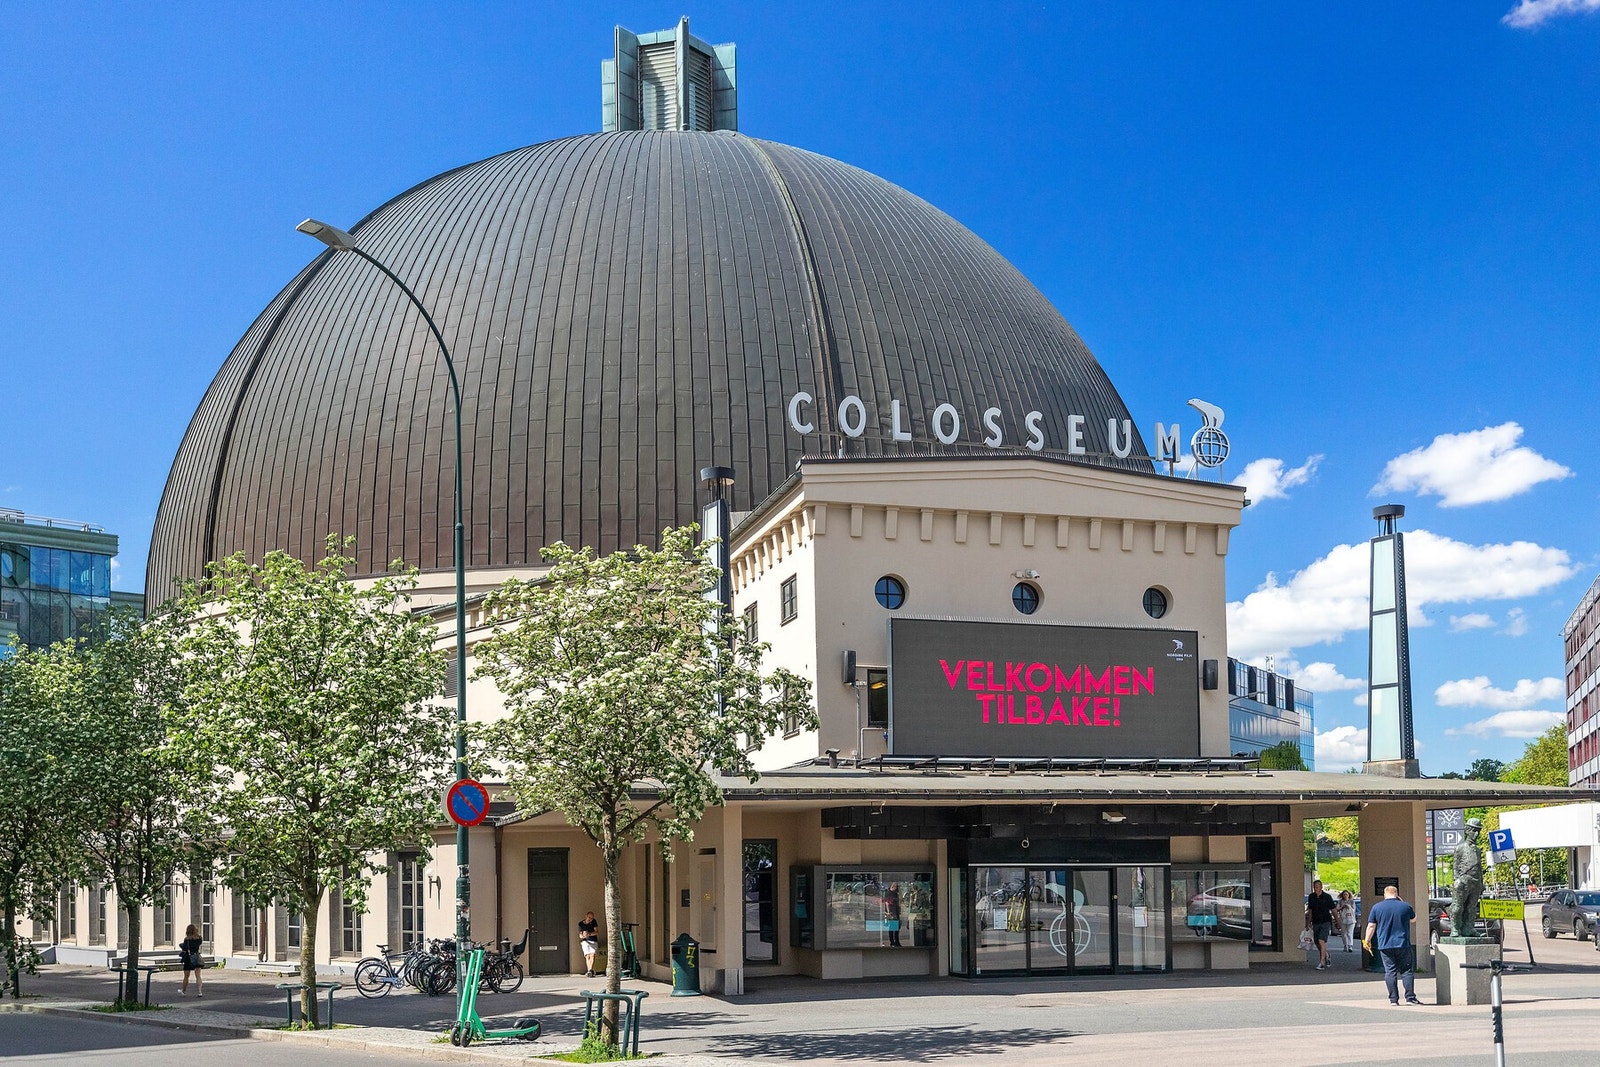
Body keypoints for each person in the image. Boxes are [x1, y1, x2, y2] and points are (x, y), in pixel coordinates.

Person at [1363, 884, 1420, 1005]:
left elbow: (1371, 926)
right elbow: (1414, 919)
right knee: (1407, 971)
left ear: (1385, 894)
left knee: (1390, 972)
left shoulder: (1376, 907)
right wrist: (1403, 903)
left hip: (1385, 944)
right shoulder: (1405, 906)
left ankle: (1393, 999)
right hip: (1403, 943)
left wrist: (1367, 940)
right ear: (1397, 893)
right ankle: (1410, 998)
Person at [1305, 879, 1337, 969]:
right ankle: (1327, 955)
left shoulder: (1327, 897)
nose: (1316, 889)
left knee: (1321, 940)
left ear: (1321, 887)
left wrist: (1337, 922)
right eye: (1314, 887)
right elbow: (1310, 910)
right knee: (1317, 942)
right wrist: (1308, 923)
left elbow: (1333, 909)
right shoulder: (1311, 897)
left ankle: (1322, 963)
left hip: (1326, 921)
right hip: (1316, 921)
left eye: (1317, 887)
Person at [178, 924, 204, 997]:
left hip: (188, 958)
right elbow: (198, 946)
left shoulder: (187, 939)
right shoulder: (199, 938)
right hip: (196, 957)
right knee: (198, 976)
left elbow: (185, 948)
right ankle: (199, 991)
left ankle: (183, 991)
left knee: (186, 976)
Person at [578, 910, 599, 978]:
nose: (590, 919)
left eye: (592, 918)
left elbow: (596, 932)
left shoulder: (594, 922)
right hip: (585, 941)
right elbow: (580, 934)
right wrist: (583, 936)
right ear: (586, 916)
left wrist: (589, 934)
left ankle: (590, 970)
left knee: (592, 955)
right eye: (589, 917)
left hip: (593, 940)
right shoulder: (581, 924)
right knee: (587, 956)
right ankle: (589, 970)